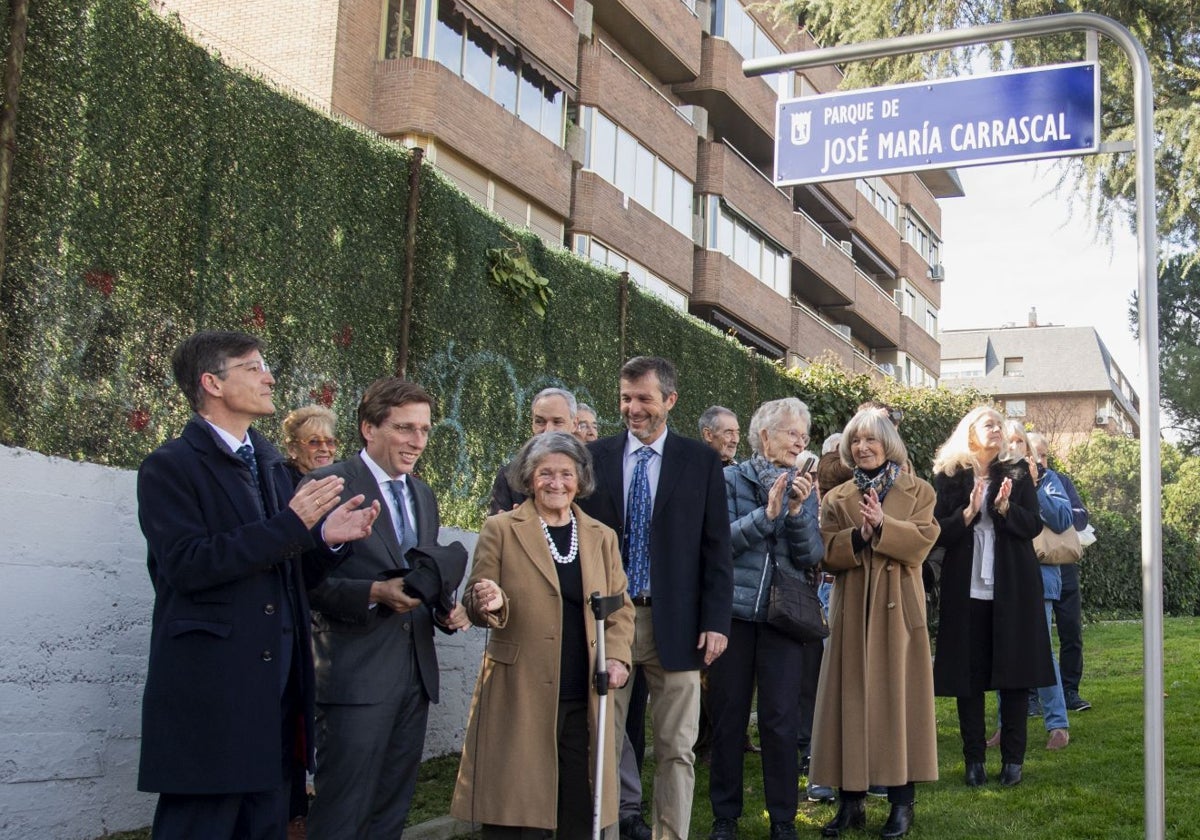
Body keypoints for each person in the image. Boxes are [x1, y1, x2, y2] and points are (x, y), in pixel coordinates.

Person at [136, 330, 380, 839]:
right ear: (212, 383)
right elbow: (187, 565)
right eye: (252, 368)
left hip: (279, 695)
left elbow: (288, 575)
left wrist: (326, 542)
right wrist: (291, 528)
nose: (269, 377)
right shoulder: (169, 466)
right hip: (214, 699)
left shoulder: (270, 466)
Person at [303, 378, 470, 839]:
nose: (417, 441)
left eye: (424, 429)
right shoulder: (326, 485)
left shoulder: (422, 493)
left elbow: (422, 569)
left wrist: (443, 607)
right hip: (353, 677)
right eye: (404, 428)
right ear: (368, 429)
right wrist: (374, 594)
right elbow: (302, 581)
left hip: (414, 677)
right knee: (341, 814)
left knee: (389, 814)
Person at [578, 356, 733, 840]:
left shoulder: (701, 462)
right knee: (601, 743)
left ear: (670, 400)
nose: (632, 408)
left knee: (677, 748)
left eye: (644, 398)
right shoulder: (595, 458)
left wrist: (716, 621)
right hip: (610, 624)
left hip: (681, 625)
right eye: (626, 398)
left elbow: (716, 548)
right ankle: (602, 831)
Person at [451, 432, 634, 840]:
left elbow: (621, 610)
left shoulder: (601, 537)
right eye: (545, 473)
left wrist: (618, 658)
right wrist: (491, 602)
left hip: (585, 689)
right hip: (520, 690)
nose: (556, 483)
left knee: (578, 803)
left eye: (566, 474)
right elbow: (475, 598)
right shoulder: (501, 529)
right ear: (529, 478)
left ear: (580, 479)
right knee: (517, 805)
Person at [811, 409, 940, 839]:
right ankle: (851, 803)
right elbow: (826, 552)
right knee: (848, 702)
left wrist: (884, 525)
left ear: (889, 443)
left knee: (900, 704)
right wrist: (859, 537)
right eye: (856, 441)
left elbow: (922, 542)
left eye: (871, 440)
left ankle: (902, 804)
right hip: (851, 610)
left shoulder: (919, 490)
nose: (862, 448)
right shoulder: (836, 497)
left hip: (897, 609)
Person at [707, 398, 823, 840]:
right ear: (765, 436)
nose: (800, 441)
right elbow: (720, 544)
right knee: (729, 717)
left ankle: (783, 820)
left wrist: (794, 514)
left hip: (784, 619)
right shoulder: (727, 480)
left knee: (780, 720)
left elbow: (811, 554)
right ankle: (725, 817)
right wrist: (768, 514)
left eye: (803, 435)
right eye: (792, 432)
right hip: (733, 617)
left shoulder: (805, 488)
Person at [931, 407, 1055, 790]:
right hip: (964, 587)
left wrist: (1004, 509)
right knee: (969, 676)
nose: (998, 431)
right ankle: (974, 761)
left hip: (1012, 586)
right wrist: (966, 515)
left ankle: (1013, 761)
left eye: (1000, 425)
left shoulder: (1018, 472)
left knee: (1014, 673)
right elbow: (935, 532)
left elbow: (1033, 525)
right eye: (990, 425)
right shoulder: (949, 476)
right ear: (970, 432)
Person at [1047, 444, 1091, 712]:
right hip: (1033, 566)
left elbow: (1081, 517)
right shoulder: (1017, 483)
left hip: (1064, 565)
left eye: (1042, 455)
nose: (1037, 460)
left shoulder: (1061, 481)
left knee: (1071, 631)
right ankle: (1030, 697)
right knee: (1033, 634)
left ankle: (1070, 691)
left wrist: (1053, 514)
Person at [489, 387, 577, 514]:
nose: (548, 430)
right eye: (540, 422)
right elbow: (493, 530)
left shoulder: (593, 472)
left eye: (557, 422)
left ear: (574, 424)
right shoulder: (510, 476)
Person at [281, 404, 339, 484]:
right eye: (314, 442)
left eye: (330, 442)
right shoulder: (278, 483)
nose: (325, 449)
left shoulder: (347, 477)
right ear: (292, 449)